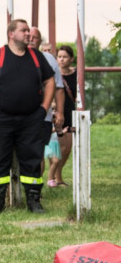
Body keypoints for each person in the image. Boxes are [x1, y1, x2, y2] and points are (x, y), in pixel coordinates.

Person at [0, 18, 55, 214]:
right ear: (11, 34)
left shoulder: (36, 56)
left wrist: (43, 109)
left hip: (31, 119)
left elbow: (50, 81)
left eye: (28, 31)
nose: (28, 34)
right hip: (0, 119)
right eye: (24, 30)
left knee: (32, 159)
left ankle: (34, 200)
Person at [28, 29, 65, 180]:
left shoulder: (48, 59)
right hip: (16, 115)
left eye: (34, 37)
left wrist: (60, 113)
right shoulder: (11, 56)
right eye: (28, 36)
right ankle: (13, 190)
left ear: (39, 41)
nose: (30, 40)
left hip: (42, 115)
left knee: (38, 153)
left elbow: (59, 87)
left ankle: (35, 189)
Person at [54, 44, 77, 187]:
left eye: (65, 57)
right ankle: (57, 178)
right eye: (59, 57)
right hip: (58, 113)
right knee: (61, 148)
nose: (62, 60)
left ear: (71, 59)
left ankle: (58, 174)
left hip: (72, 113)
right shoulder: (54, 75)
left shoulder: (76, 74)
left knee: (68, 148)